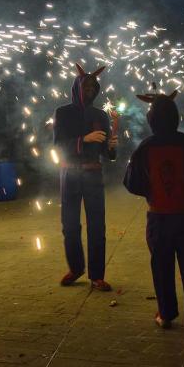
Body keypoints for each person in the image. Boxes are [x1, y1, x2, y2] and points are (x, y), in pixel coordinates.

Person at [124, 91, 184, 347]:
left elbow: (131, 183)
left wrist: (153, 193)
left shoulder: (144, 148)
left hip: (159, 219)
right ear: (176, 118)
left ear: (151, 120)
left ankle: (165, 314)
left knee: (162, 268)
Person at [53, 63, 117, 291]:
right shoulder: (62, 113)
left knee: (97, 226)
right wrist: (84, 139)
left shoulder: (101, 115)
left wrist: (110, 147)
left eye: (93, 87)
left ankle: (97, 275)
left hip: (93, 175)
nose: (90, 90)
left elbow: (107, 154)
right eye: (86, 86)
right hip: (69, 174)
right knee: (69, 225)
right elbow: (59, 145)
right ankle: (76, 268)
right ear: (77, 87)